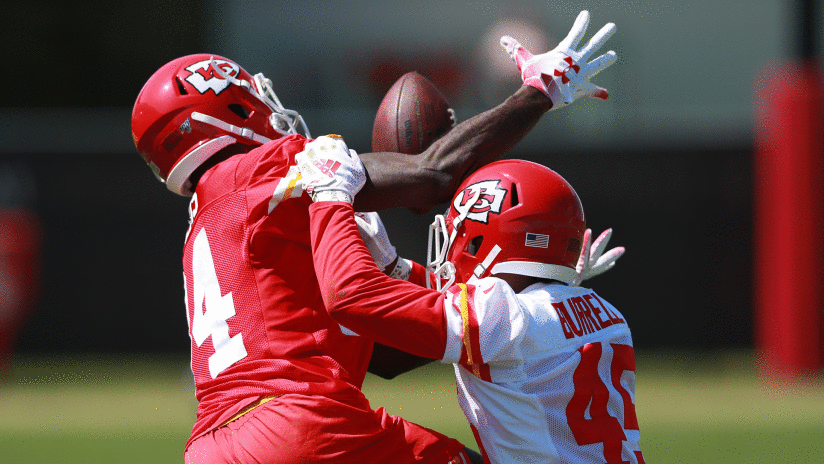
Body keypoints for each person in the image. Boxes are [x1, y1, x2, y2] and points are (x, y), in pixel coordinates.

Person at [129, 9, 617, 463]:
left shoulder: (214, 225)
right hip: (300, 424)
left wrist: (528, 290)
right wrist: (540, 93)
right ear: (227, 107)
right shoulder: (257, 171)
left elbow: (387, 352)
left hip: (211, 447)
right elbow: (434, 173)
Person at [301, 154, 641, 464]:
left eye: (461, 233)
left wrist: (332, 197)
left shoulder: (505, 318)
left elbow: (351, 295)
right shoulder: (607, 315)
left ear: (483, 242)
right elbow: (510, 315)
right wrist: (395, 267)